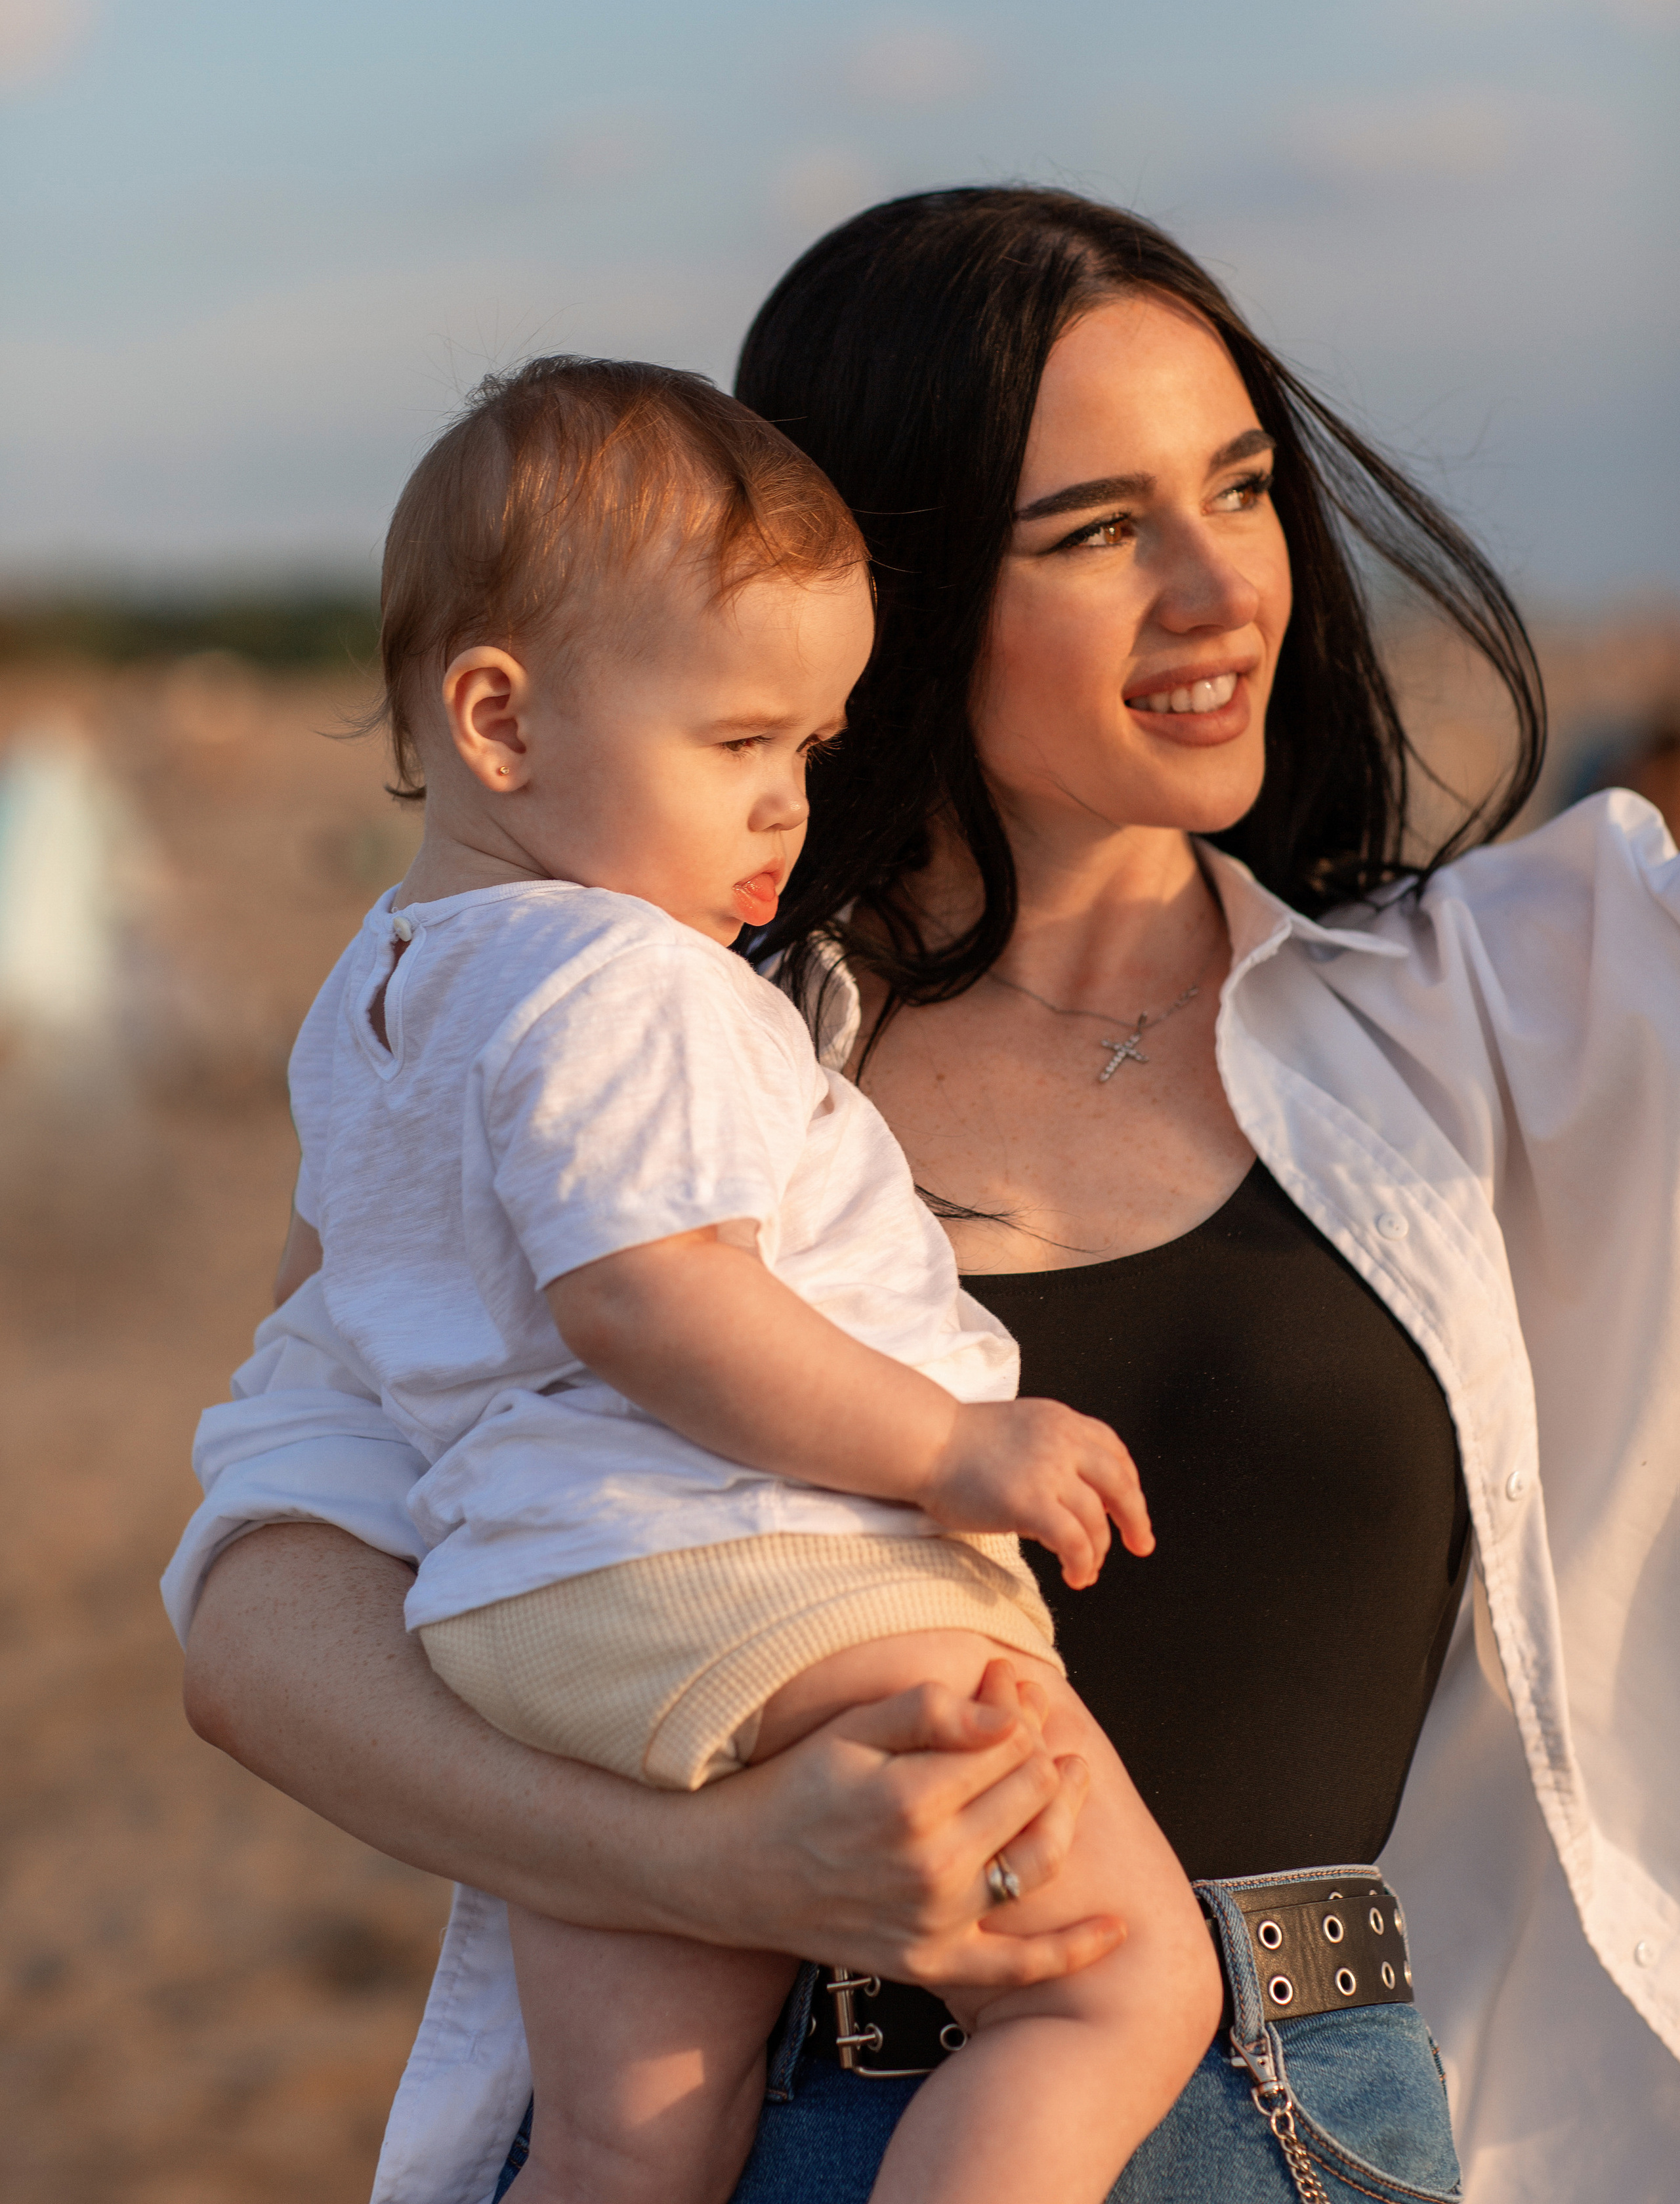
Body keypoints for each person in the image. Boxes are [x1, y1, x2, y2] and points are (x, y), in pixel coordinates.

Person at [167, 187, 1680, 2204]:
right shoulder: (613, 1046)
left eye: (1239, 491)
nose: (1219, 588)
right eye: (1093, 529)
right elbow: (262, 1619)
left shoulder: (1513, 1004)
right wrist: (704, 1866)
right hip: (780, 2117)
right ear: (894, 586)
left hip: (1343, 2134)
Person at [266, 350, 1217, 2204]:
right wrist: (955, 1447)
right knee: (1121, 1987)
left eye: (809, 748)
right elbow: (653, 1294)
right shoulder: (625, 977)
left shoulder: (377, 998)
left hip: (528, 1619)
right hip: (776, 1574)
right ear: (498, 719)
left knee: (633, 2133)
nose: (785, 806)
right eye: (735, 745)